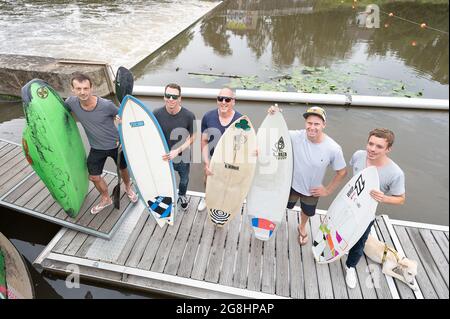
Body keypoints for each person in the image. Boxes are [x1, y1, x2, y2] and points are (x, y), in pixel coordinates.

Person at [268, 105, 347, 246]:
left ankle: (302, 226)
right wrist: (275, 115)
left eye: (317, 124)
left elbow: (342, 172)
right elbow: (276, 131)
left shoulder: (333, 148)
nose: (312, 127)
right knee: (281, 205)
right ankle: (274, 221)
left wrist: (327, 190)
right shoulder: (296, 136)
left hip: (312, 190)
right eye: (309, 123)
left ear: (324, 125)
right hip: (290, 184)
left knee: (307, 211)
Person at [64, 72, 138, 215]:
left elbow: (126, 117)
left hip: (116, 145)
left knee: (123, 169)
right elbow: (61, 112)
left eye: (85, 88)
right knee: (94, 177)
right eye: (78, 89)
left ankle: (128, 188)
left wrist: (123, 127)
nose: (82, 92)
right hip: (96, 148)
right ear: (72, 89)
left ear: (91, 88)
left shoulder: (106, 105)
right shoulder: (71, 103)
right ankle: (106, 198)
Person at [345, 128, 405, 289]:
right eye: (370, 143)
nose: (372, 149)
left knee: (359, 243)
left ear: (388, 149)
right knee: (342, 232)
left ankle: (350, 267)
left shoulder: (395, 173)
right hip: (348, 207)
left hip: (366, 215)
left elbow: (401, 199)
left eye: (379, 146)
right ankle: (339, 248)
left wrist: (384, 198)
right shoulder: (358, 155)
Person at [198, 87, 242, 211]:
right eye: (220, 98)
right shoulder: (208, 116)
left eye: (227, 99)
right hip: (213, 158)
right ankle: (206, 198)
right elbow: (204, 141)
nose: (223, 102)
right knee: (208, 180)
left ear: (233, 101)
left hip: (231, 160)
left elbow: (247, 144)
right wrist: (206, 162)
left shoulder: (241, 120)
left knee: (228, 184)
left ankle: (224, 203)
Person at [154, 83, 196, 210]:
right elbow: (146, 130)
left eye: (174, 96)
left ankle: (182, 195)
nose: (171, 99)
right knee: (164, 180)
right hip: (164, 156)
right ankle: (166, 199)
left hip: (182, 156)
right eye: (168, 95)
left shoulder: (189, 115)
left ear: (180, 98)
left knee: (183, 180)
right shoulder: (156, 113)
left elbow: (194, 136)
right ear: (164, 97)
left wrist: (177, 150)